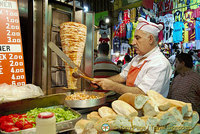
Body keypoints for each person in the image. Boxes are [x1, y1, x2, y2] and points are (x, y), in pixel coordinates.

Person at [92, 17, 172, 97]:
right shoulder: (137, 58)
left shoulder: (159, 64)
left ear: (150, 39)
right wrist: (102, 81)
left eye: (137, 38)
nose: (133, 42)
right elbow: (122, 76)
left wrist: (113, 86)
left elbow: (143, 93)